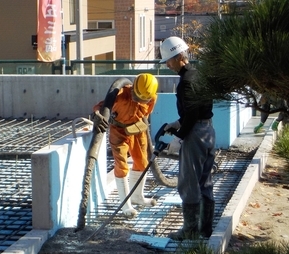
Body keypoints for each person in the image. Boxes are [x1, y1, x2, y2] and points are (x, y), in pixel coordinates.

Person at [159, 36, 216, 240]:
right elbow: (198, 110)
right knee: (205, 181)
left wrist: (179, 137)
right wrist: (178, 122)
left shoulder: (185, 82)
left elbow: (192, 114)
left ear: (177, 57)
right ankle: (206, 229)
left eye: (168, 60)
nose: (166, 64)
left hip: (195, 134)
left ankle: (191, 230)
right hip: (208, 130)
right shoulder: (199, 75)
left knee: (189, 182)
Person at [92, 73, 159, 217]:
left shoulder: (151, 98)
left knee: (142, 163)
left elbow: (146, 112)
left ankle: (137, 197)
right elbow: (100, 107)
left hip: (137, 130)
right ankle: (125, 205)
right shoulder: (120, 94)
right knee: (122, 166)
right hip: (119, 131)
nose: (137, 100)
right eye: (135, 96)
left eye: (141, 99)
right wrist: (98, 115)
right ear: (133, 88)